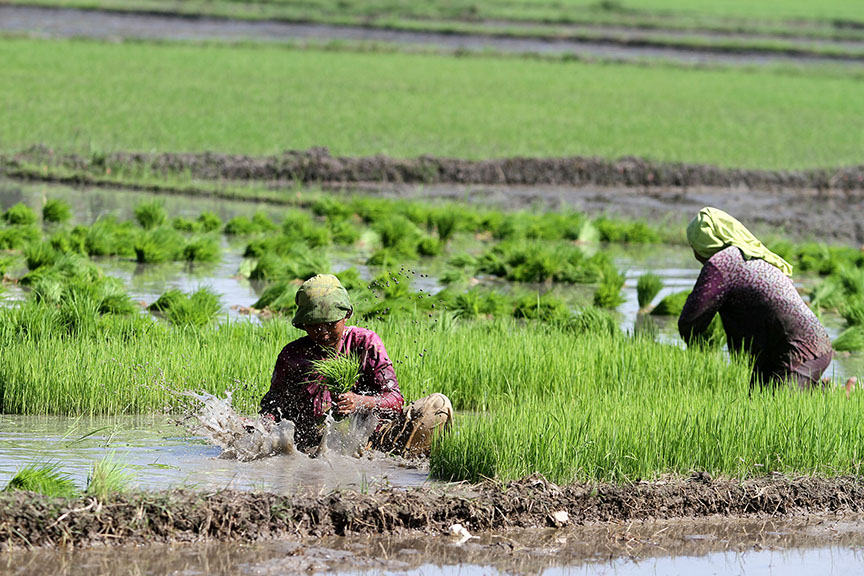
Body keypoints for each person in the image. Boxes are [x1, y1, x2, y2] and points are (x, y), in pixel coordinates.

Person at [260, 273, 453, 456]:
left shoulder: (365, 344)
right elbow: (273, 405)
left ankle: (406, 458)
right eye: (314, 325)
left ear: (347, 315)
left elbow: (395, 400)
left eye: (330, 324)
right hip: (312, 444)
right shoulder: (292, 356)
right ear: (303, 324)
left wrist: (359, 402)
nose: (323, 332)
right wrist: (262, 429)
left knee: (438, 405)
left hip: (373, 439)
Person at [678, 207, 844, 391]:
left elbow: (691, 318)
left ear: (703, 243)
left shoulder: (722, 263)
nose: (694, 254)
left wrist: (700, 348)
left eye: (694, 247)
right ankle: (836, 392)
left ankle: (843, 394)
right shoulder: (752, 254)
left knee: (779, 411)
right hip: (783, 350)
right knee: (757, 404)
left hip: (799, 350)